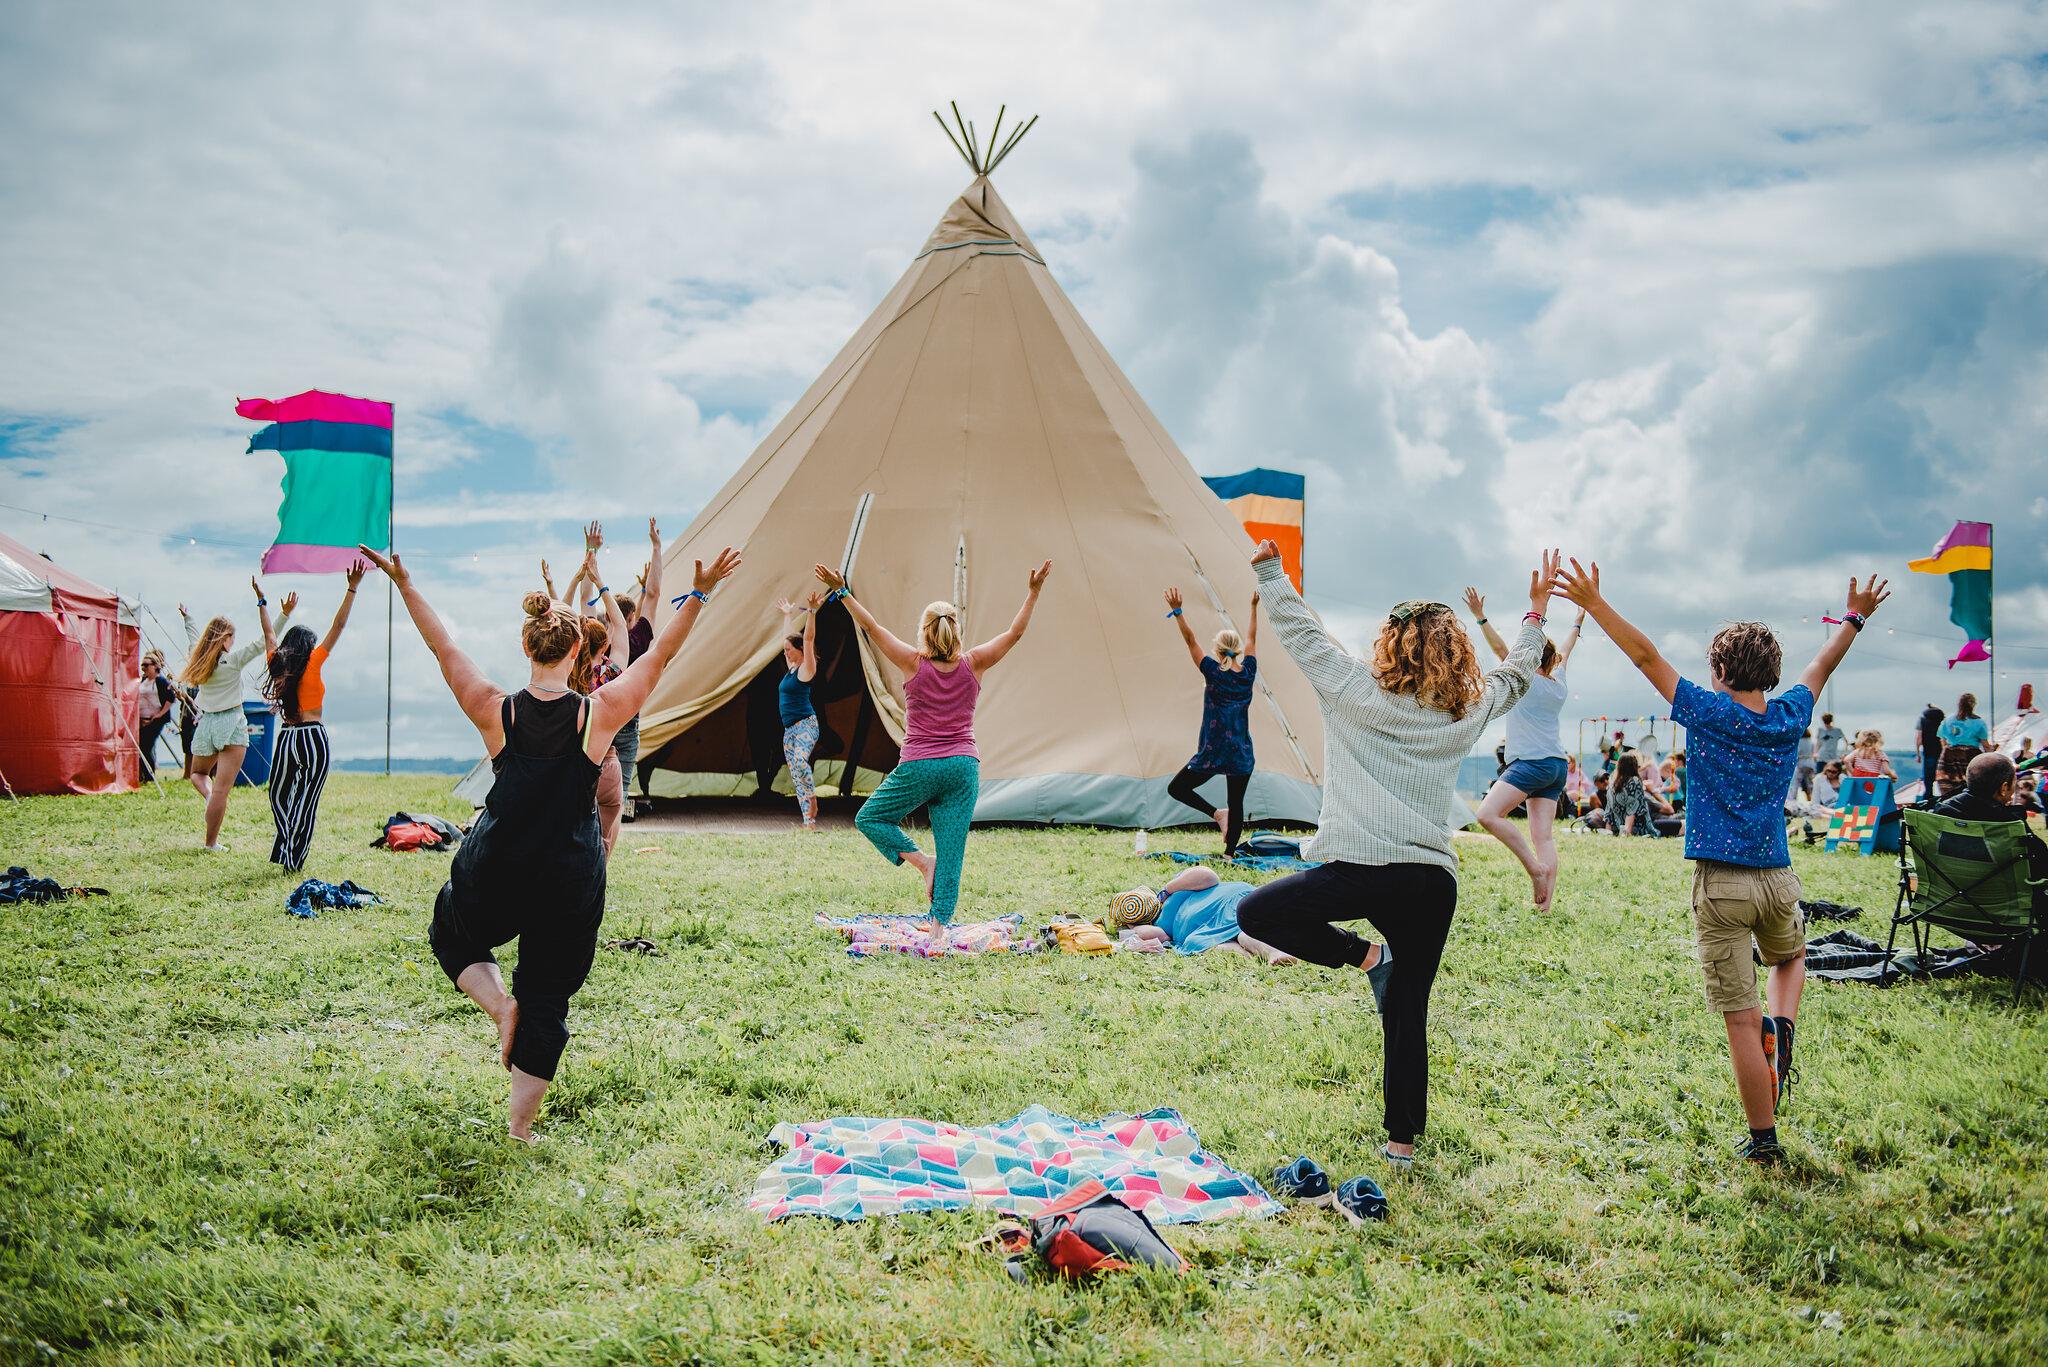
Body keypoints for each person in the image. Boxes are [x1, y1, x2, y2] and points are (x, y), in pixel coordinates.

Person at [356, 539, 740, 1141]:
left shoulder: (496, 710)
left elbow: (442, 647)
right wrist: (700, 592)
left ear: (527, 647)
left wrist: (404, 584)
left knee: (451, 929)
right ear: (578, 650)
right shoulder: (599, 713)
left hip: (497, 867)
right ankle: (520, 1130)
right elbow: (661, 654)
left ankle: (499, 1006)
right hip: (569, 875)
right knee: (548, 996)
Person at [1235, 542, 1559, 1172]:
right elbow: (1518, 675)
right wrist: (1535, 614)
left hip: (1360, 870)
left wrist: (1270, 571)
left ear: (1389, 643)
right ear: (1455, 653)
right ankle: (1400, 1145)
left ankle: (1367, 958)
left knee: (1256, 913)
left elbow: (1301, 633)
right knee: (1408, 1009)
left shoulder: (1352, 689)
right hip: (1430, 881)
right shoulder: (1466, 711)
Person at [1557, 561, 1889, 1165]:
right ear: (1772, 673)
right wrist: (1855, 618)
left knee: (1741, 1021)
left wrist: (1596, 604)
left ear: (1717, 672)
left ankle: (1764, 1141)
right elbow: (1823, 665)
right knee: (1790, 960)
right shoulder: (1789, 715)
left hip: (1721, 887)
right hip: (1779, 879)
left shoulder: (1708, 712)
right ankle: (1783, 1028)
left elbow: (1645, 657)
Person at [817, 558, 1051, 925]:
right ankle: (939, 929)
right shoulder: (974, 663)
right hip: (962, 768)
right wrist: (1033, 593)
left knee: (871, 817)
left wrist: (843, 592)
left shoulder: (913, 663)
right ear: (956, 631)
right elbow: (1014, 633)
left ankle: (923, 863)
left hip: (920, 766)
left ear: (925, 633)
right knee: (952, 853)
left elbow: (871, 627)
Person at [1462, 586, 1585, 911]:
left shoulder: (1526, 680)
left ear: (1532, 658)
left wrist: (1480, 617)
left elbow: (1501, 649)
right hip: (1556, 765)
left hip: (1530, 763)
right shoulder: (1559, 683)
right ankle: (1544, 907)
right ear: (1553, 660)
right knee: (1544, 837)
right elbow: (1567, 649)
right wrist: (1577, 622)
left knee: (1487, 814)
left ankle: (1534, 868)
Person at [260, 561, 366, 872]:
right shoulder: (312, 661)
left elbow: (269, 633)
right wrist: (352, 588)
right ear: (307, 646)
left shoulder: (279, 664)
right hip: (311, 737)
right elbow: (338, 626)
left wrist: (263, 603)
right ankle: (292, 852)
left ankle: (289, 852)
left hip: (289, 736)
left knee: (279, 796)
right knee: (303, 802)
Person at [178, 581, 295, 852]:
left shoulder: (199, 661)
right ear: (225, 638)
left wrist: (187, 617)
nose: (234, 641)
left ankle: (209, 804)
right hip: (232, 722)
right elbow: (267, 640)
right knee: (222, 791)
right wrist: (282, 613)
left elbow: (193, 636)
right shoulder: (233, 660)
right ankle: (211, 842)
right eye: (232, 637)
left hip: (207, 723)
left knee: (197, 774)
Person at [1161, 584, 1259, 855]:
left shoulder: (1213, 672)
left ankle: (1216, 813)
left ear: (1218, 651)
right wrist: (1253, 608)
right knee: (1236, 803)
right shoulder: (1248, 673)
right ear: (1237, 650)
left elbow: (1191, 641)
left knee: (1177, 788)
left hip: (1213, 751)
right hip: (1240, 751)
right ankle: (1229, 855)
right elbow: (1252, 638)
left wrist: (1178, 611)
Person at [1105, 866, 1333, 967]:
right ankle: (1265, 955)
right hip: (1201, 930)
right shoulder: (1157, 925)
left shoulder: (1174, 888)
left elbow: (1209, 876)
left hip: (1226, 903)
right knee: (1220, 940)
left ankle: (1273, 952)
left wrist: (1167, 890)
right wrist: (1132, 929)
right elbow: (1157, 936)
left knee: (1241, 929)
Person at [565, 549, 632, 856]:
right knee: (605, 836)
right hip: (606, 762)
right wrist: (600, 583)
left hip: (570, 763)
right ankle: (599, 870)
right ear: (603, 645)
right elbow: (621, 627)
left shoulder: (565, 674)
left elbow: (558, 615)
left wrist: (577, 579)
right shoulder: (611, 674)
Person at [1934, 752, 2048, 893]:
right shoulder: (2011, 822)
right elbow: (2042, 867)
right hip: (2000, 901)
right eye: (2015, 784)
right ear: (2004, 788)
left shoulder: (1941, 812)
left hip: (1946, 897)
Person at [775, 591, 823, 829]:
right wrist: (787, 615)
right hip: (789, 731)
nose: (786, 653)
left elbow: (808, 639)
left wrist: (811, 612)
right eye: (785, 650)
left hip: (806, 724)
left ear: (800, 650)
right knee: (795, 773)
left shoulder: (806, 669)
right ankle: (809, 822)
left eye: (789, 650)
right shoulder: (792, 668)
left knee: (800, 761)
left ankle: (812, 799)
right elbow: (789, 638)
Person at [1936, 693, 1990, 798]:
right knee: (1971, 783)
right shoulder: (1979, 722)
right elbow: (1985, 745)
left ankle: (1949, 802)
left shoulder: (1947, 721)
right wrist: (1990, 757)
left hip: (1949, 755)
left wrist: (1947, 751)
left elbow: (1942, 740)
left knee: (1948, 784)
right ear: (1973, 705)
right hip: (1971, 756)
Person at [137, 649, 177, 779]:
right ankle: (143, 774)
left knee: (146, 746)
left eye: (146, 665)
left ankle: (149, 775)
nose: (144, 668)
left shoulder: (160, 681)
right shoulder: (143, 680)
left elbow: (171, 698)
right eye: (142, 665)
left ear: (155, 666)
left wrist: (160, 714)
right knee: (141, 746)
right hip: (142, 718)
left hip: (155, 719)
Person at [1606, 751, 1656, 837]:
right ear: (1634, 766)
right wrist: (1626, 833)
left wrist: (1608, 832)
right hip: (1638, 829)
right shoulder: (1634, 781)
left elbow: (1609, 812)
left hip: (1619, 827)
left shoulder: (1612, 783)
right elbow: (1631, 810)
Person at [1914, 702, 1946, 806]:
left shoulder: (1922, 720)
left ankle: (1928, 800)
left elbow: (1919, 738)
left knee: (1928, 778)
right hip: (1942, 751)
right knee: (1943, 776)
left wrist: (1918, 753)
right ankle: (1944, 799)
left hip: (1928, 750)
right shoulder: (1942, 719)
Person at [1793, 729, 1817, 800]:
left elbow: (1797, 753)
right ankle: (1813, 798)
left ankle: (1794, 798)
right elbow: (1814, 753)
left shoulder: (1799, 741)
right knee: (1810, 782)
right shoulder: (1811, 741)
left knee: (1797, 782)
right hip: (1810, 763)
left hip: (1801, 763)